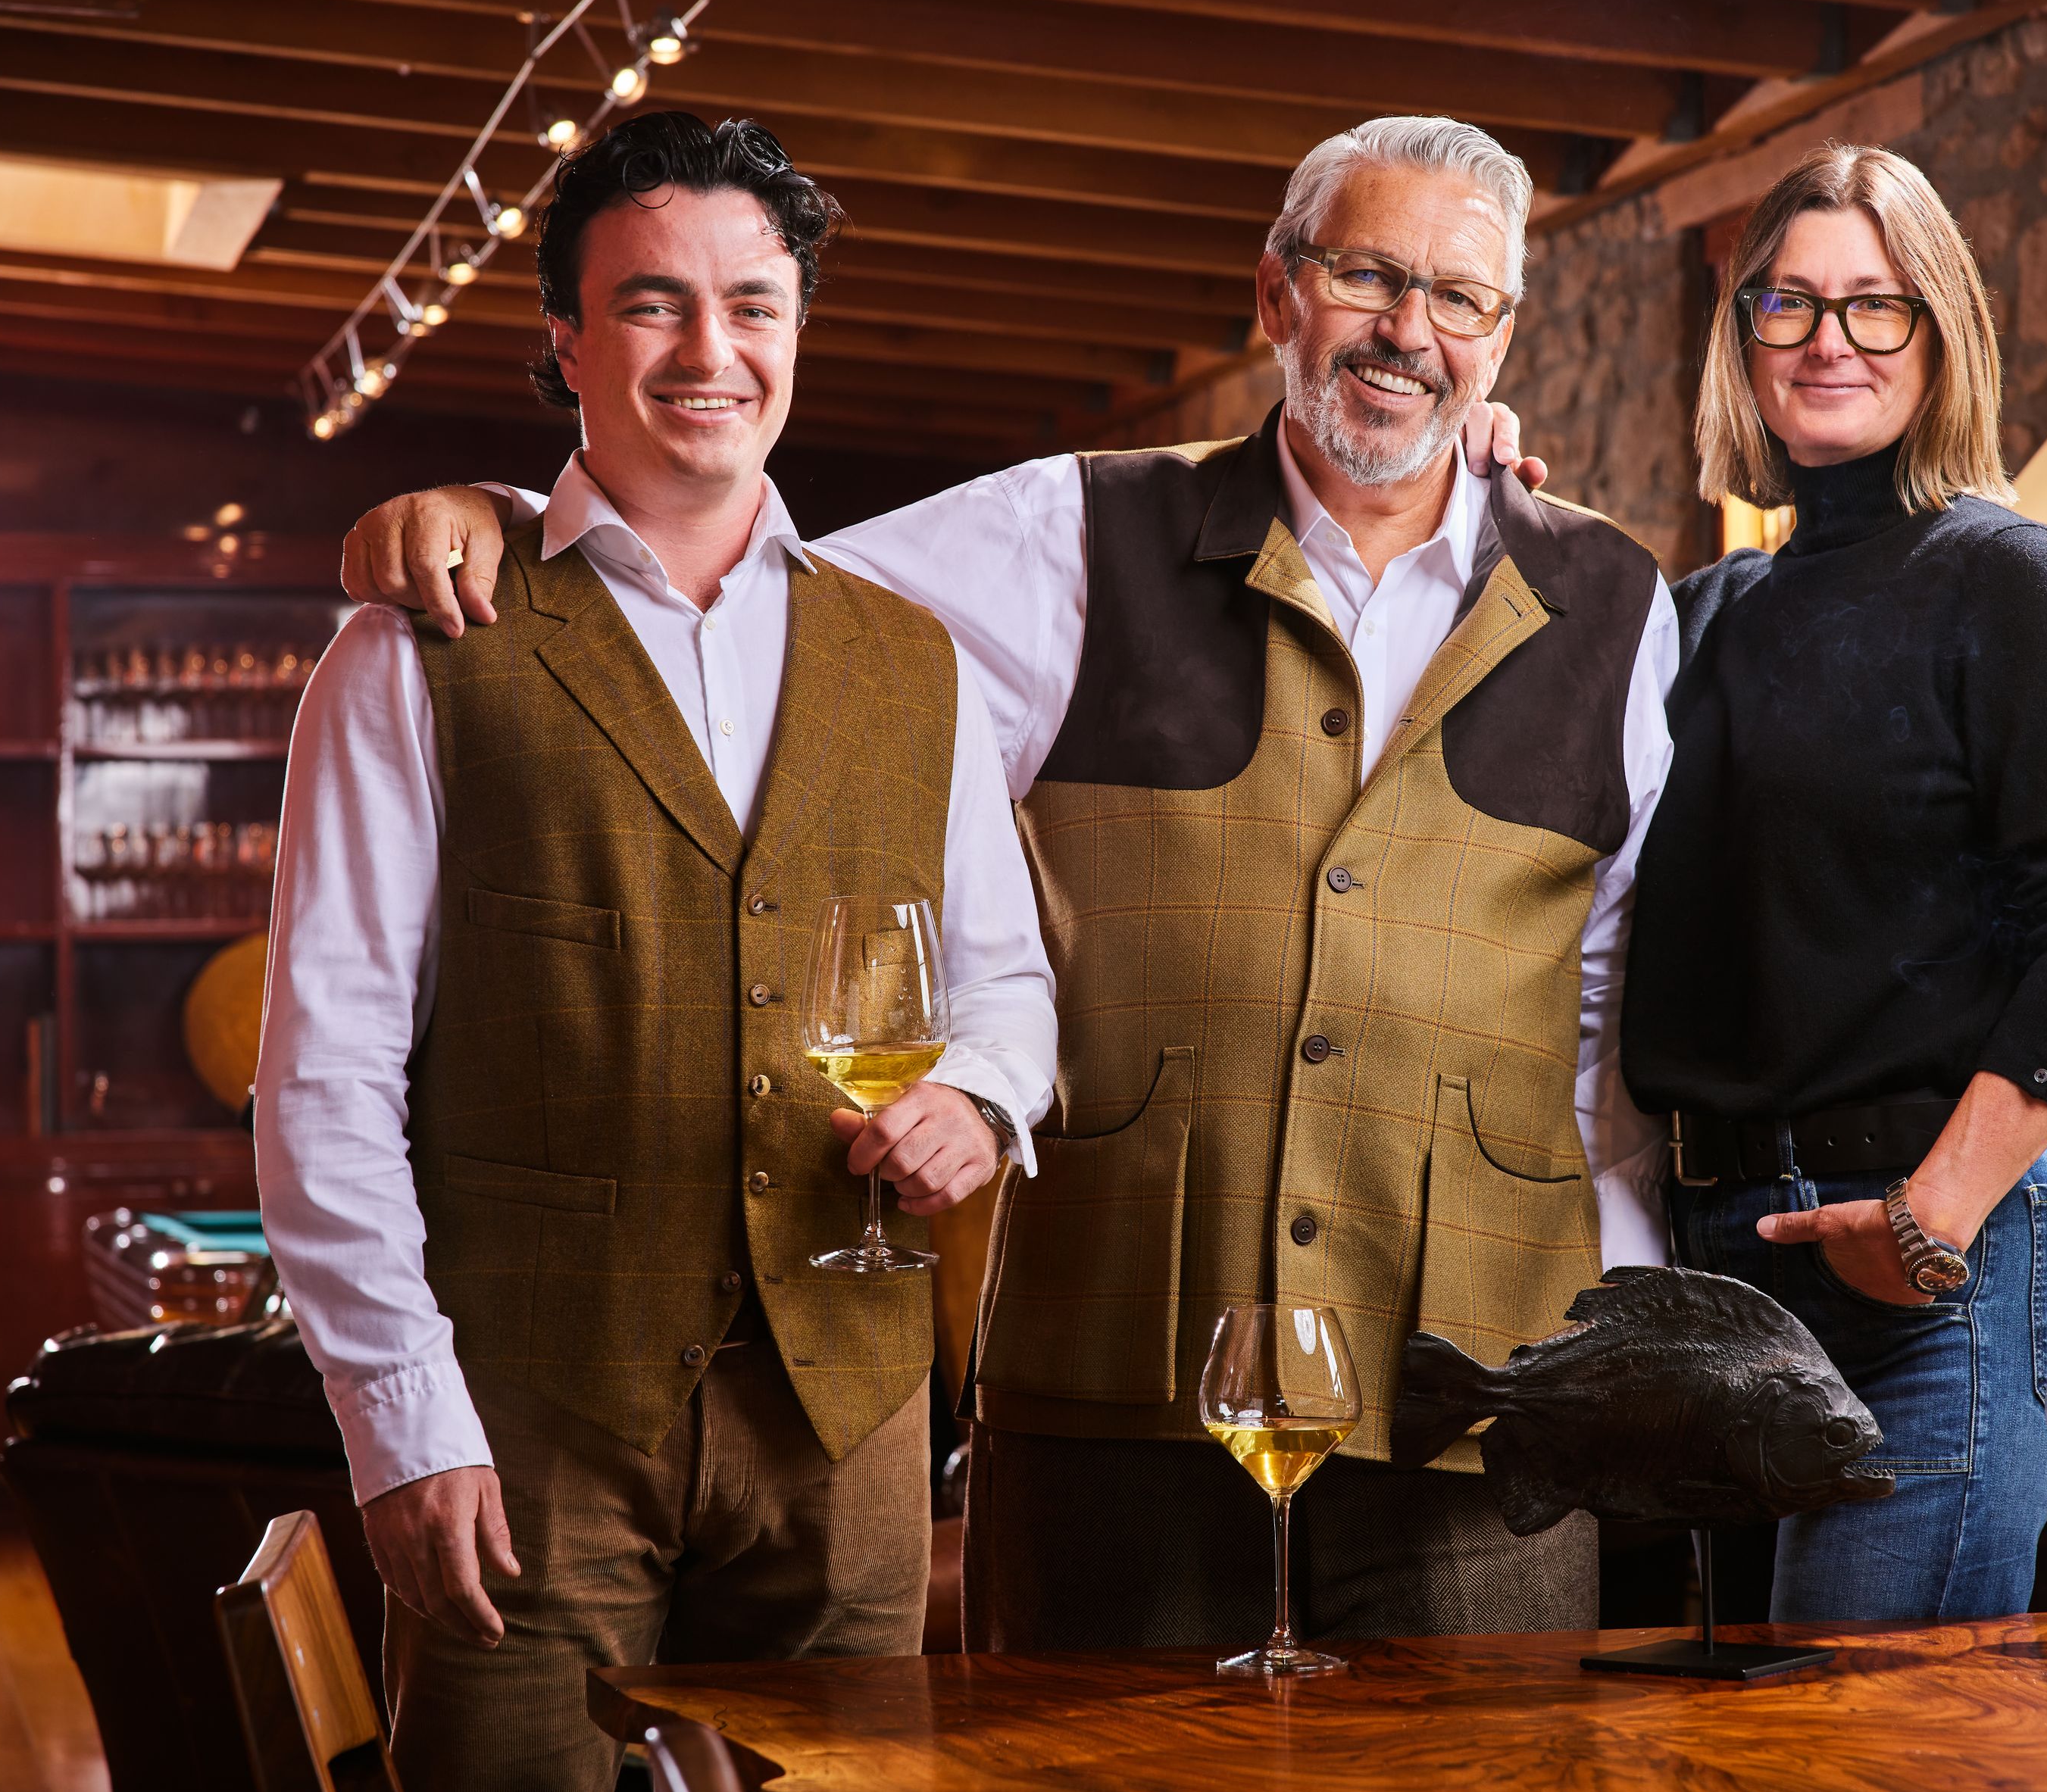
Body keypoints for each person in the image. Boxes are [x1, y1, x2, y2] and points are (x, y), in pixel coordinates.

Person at [337, 114, 1680, 1652]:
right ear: (1276, 292)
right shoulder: (1070, 532)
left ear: (1502, 337)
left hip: (1476, 1417)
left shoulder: (1616, 599)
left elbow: (1605, 997)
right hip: (1116, 1399)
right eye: (1367, 274)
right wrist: (502, 520)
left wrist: (1590, 1339)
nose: (1408, 330)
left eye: (1459, 298)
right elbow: (708, 576)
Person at [254, 111, 1057, 1792]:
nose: (713, 351)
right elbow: (324, 1074)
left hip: (846, 1423)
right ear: (564, 341)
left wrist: (979, 1095)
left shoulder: (912, 657)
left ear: (797, 329)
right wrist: (405, 1417)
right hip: (524, 1426)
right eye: (652, 305)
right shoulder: (416, 653)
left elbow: (1007, 982)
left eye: (753, 304)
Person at [1620, 142, 2047, 1622]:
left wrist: (1927, 1217)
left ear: (1943, 334)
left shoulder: (2008, 579)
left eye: (1876, 305)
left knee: (1866, 1759)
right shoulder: (1703, 616)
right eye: (1788, 304)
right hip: (1712, 1265)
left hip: (1928, 1260)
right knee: (1729, 1757)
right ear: (1742, 341)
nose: (1828, 341)